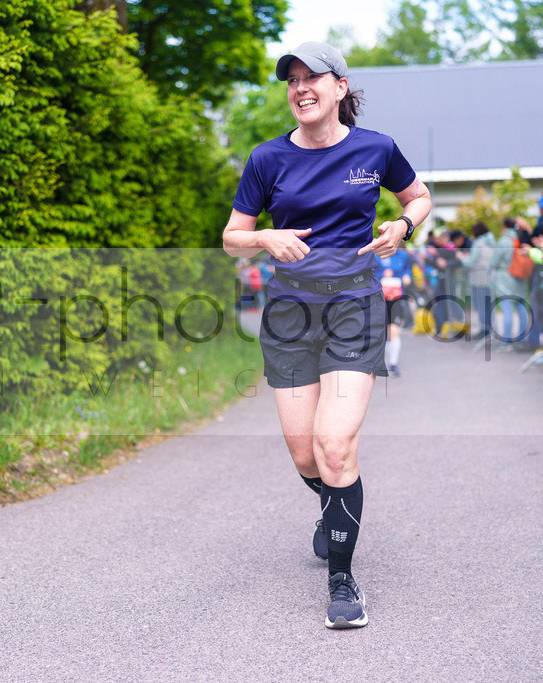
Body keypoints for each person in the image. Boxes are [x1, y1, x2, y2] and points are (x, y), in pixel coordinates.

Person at [222, 41, 432, 628]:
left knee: (335, 445)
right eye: (291, 79)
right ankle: (334, 506)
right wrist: (265, 238)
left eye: (312, 76)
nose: (300, 87)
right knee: (304, 450)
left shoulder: (376, 149)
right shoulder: (267, 160)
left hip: (353, 307)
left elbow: (419, 197)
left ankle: (343, 578)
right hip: (289, 312)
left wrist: (403, 224)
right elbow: (231, 236)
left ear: (341, 87)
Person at [488, 217, 529, 347]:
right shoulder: (521, 239)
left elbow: (493, 262)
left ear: (504, 227)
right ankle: (522, 339)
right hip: (521, 278)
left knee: (507, 310)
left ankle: (506, 341)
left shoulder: (504, 241)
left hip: (505, 279)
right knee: (521, 309)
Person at [374, 247, 415, 375]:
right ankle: (381, 362)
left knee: (394, 330)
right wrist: (382, 275)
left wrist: (407, 277)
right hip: (378, 297)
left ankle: (393, 364)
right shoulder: (376, 254)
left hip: (396, 297)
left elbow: (407, 270)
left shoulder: (403, 256)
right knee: (382, 332)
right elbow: (368, 273)